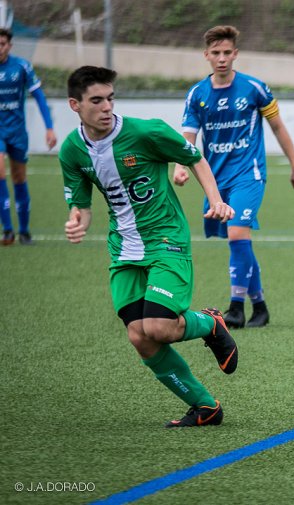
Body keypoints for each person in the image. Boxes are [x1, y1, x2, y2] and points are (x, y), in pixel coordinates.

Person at [60, 65, 239, 428]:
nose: (107, 107)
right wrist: (77, 221)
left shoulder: (147, 131)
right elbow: (81, 205)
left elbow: (195, 157)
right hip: (123, 250)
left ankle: (210, 324)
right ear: (75, 105)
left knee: (157, 326)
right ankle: (206, 407)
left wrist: (215, 200)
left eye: (110, 98)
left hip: (166, 239)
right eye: (97, 100)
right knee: (139, 336)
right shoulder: (72, 151)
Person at [174, 25, 294, 329]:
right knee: (240, 240)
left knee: (237, 234)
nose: (222, 58)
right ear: (206, 55)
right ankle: (259, 305)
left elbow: (278, 127)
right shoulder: (197, 94)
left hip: (250, 174)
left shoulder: (255, 88)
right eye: (216, 53)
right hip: (215, 180)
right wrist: (180, 166)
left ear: (236, 54)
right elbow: (188, 137)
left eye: (227, 53)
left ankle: (235, 307)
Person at [0, 28, 57, 245]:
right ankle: (7, 230)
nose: (0, 48)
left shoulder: (22, 66)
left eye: (3, 43)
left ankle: (23, 231)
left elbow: (39, 97)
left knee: (19, 178)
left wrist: (49, 128)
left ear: (9, 45)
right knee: (0, 174)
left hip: (17, 132)